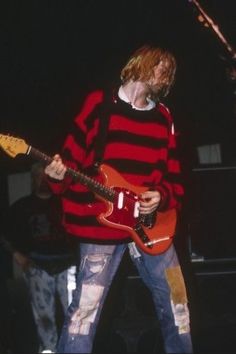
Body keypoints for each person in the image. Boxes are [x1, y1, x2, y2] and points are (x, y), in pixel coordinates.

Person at [44, 44, 193, 353]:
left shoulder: (164, 116)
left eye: (170, 72)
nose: (167, 75)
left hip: (151, 225)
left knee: (177, 300)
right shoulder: (99, 104)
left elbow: (174, 174)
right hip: (101, 224)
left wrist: (161, 196)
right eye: (162, 66)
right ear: (142, 63)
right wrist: (55, 176)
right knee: (85, 310)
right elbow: (70, 156)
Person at [2, 162, 77, 353]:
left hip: (68, 265)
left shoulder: (65, 202)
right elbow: (4, 234)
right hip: (38, 267)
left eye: (46, 176)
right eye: (38, 176)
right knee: (44, 320)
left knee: (76, 317)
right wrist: (18, 256)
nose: (43, 180)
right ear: (33, 179)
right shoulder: (22, 206)